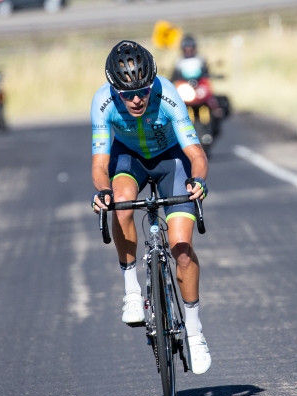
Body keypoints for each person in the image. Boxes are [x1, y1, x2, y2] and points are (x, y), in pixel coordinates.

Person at [90, 41, 211, 375]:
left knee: (182, 250)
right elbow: (100, 164)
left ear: (153, 83)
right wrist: (103, 190)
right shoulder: (102, 102)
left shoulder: (169, 94)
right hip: (129, 160)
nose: (137, 99)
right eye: (127, 94)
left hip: (172, 161)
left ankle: (195, 331)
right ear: (115, 90)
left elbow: (196, 154)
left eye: (142, 91)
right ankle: (131, 291)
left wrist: (198, 181)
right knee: (121, 206)